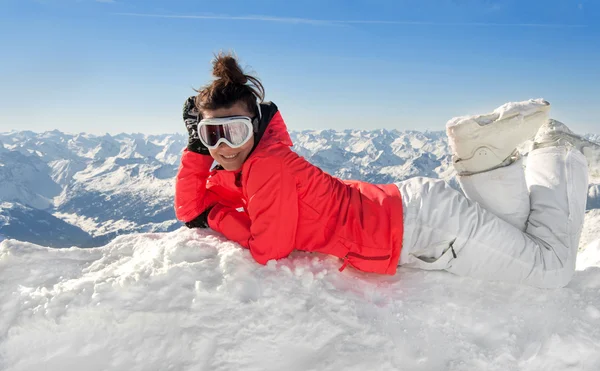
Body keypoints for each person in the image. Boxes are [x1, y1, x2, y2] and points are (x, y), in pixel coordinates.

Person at [174, 53, 590, 289]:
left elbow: (269, 250)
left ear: (256, 127)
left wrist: (217, 217)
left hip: (421, 228)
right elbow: (190, 209)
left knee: (550, 269)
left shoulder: (266, 167)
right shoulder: (256, 161)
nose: (223, 146)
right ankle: (485, 158)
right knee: (514, 230)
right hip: (412, 211)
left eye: (234, 130)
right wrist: (197, 159)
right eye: (211, 134)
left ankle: (559, 150)